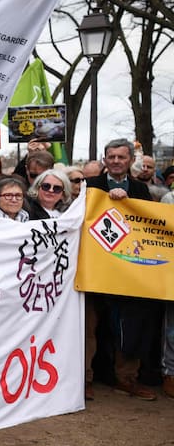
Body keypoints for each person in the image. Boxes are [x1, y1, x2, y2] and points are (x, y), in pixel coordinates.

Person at [85, 138, 158, 401]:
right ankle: (84, 379)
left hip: (128, 272)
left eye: (121, 157)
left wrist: (128, 203)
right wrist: (107, 199)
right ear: (105, 159)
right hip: (93, 270)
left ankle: (127, 378)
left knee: (131, 325)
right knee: (87, 326)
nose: (116, 161)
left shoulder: (140, 189)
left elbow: (149, 227)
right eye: (111, 156)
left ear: (130, 160)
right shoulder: (90, 186)